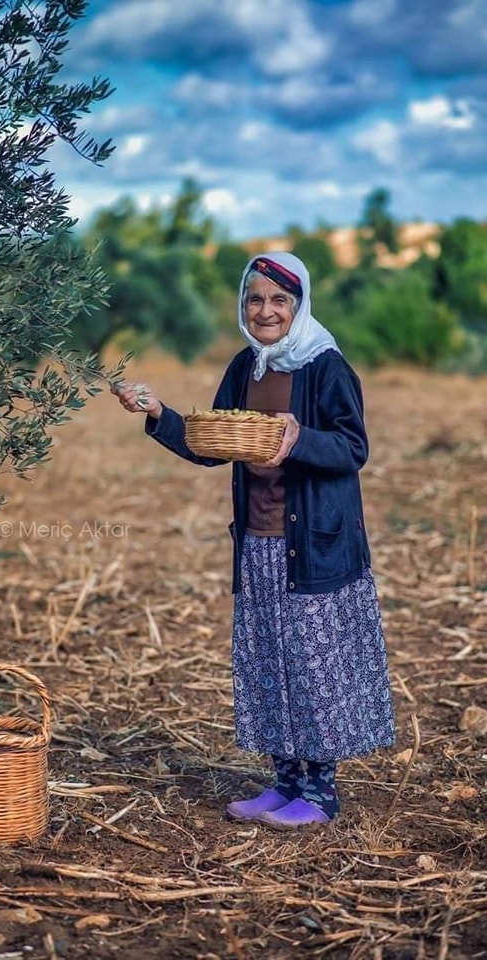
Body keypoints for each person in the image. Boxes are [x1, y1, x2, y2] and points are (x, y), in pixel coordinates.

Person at [112, 251, 395, 830]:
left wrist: (300, 439)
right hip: (259, 542)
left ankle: (319, 795)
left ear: (299, 304)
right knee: (270, 660)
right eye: (255, 299)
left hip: (315, 545)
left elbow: (353, 449)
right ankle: (283, 783)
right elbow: (212, 442)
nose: (265, 311)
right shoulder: (248, 366)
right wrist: (159, 412)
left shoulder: (326, 366)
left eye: (278, 300)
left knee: (314, 666)